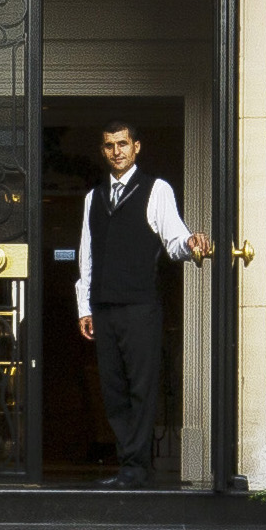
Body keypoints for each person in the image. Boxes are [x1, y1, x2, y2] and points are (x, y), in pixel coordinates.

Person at [70, 120, 210, 486]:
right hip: (103, 307)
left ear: (136, 147)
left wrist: (191, 243)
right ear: (103, 151)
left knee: (141, 388)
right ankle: (128, 465)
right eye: (108, 145)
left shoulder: (156, 190)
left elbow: (174, 239)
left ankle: (137, 468)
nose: (116, 151)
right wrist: (84, 307)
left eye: (122, 144)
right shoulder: (93, 198)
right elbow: (87, 256)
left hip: (140, 306)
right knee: (113, 390)